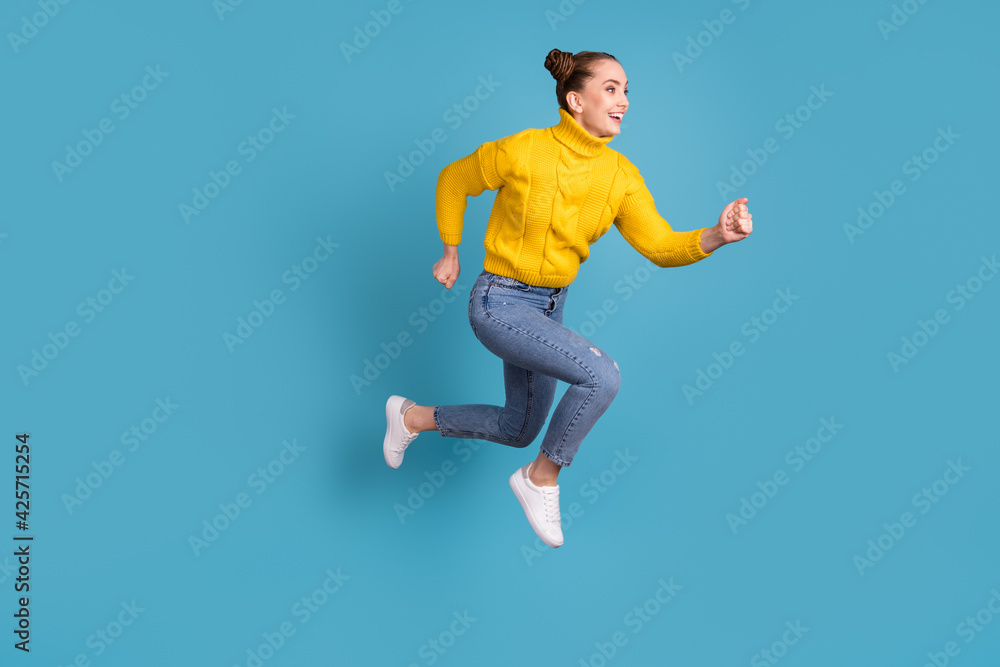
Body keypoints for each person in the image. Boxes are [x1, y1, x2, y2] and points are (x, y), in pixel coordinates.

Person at [383, 48, 753, 548]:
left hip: (548, 307)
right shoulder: (524, 151)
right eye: (612, 89)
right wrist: (451, 251)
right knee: (602, 375)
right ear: (576, 100)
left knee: (518, 428)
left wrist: (715, 235)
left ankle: (411, 416)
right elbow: (454, 178)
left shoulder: (620, 177)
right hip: (500, 302)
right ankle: (541, 478)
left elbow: (661, 246)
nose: (624, 101)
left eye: (626, 91)